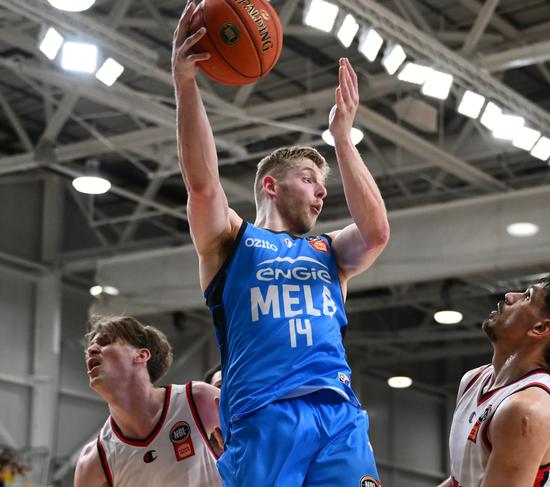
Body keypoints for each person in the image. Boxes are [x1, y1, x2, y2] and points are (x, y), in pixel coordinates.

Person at [172, 1, 390, 484]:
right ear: (271, 185)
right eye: (310, 178)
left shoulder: (330, 253)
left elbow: (376, 232)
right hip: (263, 416)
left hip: (338, 417)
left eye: (322, 183)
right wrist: (186, 85)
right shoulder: (232, 241)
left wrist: (344, 140)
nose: (321, 191)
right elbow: (203, 186)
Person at [438, 274, 550, 487]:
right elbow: (461, 481)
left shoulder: (526, 410)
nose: (509, 296)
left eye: (527, 297)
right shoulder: (474, 380)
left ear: (541, 328)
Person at [74, 315, 223, 486]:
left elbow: (258, 449)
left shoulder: (197, 399)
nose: (91, 350)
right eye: (89, 348)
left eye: (105, 342)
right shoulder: (94, 459)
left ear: (141, 355)